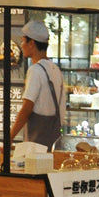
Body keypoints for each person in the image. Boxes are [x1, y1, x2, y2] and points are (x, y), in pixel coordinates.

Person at [9, 20, 66, 151]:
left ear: (32, 43)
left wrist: (10, 137)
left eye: (23, 41)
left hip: (36, 146)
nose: (21, 45)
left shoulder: (35, 70)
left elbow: (27, 109)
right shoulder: (55, 69)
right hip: (53, 144)